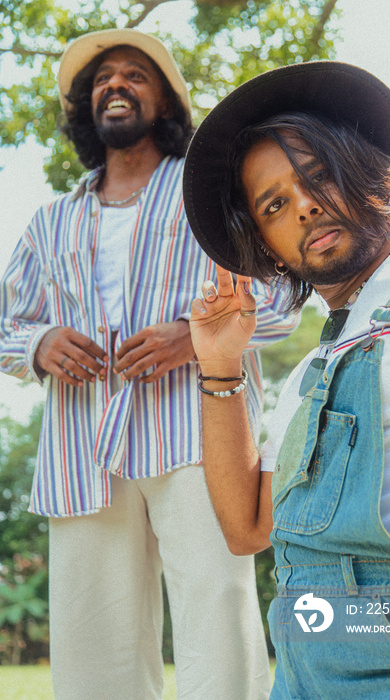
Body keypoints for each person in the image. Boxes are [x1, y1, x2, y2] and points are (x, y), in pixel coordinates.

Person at [0, 29, 299, 700]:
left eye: (135, 75)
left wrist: (194, 337)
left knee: (217, 622)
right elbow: (6, 325)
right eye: (102, 80)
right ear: (86, 110)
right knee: (91, 644)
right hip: (81, 451)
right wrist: (40, 343)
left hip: (198, 435)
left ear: (165, 104)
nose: (115, 85)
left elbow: (280, 292)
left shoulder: (211, 196)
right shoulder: (50, 223)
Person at [183, 61, 390, 697]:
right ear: (266, 243)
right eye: (275, 204)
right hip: (308, 670)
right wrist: (220, 362)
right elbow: (248, 526)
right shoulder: (312, 374)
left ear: (368, 171)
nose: (305, 205)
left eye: (319, 175)